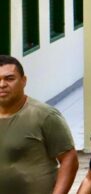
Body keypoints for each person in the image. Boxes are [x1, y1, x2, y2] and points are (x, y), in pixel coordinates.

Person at [0, 56, 77, 194]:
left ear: (24, 81)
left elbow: (69, 159)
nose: (2, 84)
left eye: (9, 78)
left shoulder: (45, 115)